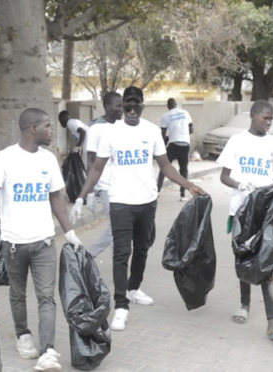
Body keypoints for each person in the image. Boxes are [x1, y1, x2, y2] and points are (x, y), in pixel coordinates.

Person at [70, 86, 204, 332]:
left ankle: (133, 289)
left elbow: (165, 166)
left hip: (147, 201)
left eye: (135, 106)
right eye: (126, 107)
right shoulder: (111, 133)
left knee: (143, 247)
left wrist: (189, 184)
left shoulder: (152, 131)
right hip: (120, 201)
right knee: (121, 253)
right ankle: (121, 306)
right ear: (122, 108)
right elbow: (97, 168)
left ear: (142, 106)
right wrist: (81, 196)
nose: (131, 111)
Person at [0, 108, 83, 371]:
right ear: (33, 128)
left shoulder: (49, 160)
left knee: (46, 297)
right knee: (17, 293)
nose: (52, 131)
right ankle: (23, 336)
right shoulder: (4, 159)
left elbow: (56, 198)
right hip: (13, 243)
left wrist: (70, 231)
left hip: (44, 242)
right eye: (48, 126)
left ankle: (48, 351)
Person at [217, 99, 273, 341]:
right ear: (253, 116)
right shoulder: (237, 141)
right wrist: (240, 184)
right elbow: (224, 176)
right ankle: (244, 304)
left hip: (266, 212)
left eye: (271, 119)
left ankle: (272, 322)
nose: (269, 123)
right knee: (244, 259)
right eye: (265, 118)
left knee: (267, 263)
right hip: (241, 210)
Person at [85, 91, 123, 258]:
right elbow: (91, 160)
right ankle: (118, 268)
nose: (122, 109)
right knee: (117, 228)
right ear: (107, 107)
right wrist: (90, 191)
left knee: (118, 226)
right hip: (106, 185)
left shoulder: (122, 127)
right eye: (118, 106)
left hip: (122, 185)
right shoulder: (96, 128)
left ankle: (88, 255)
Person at [157, 98, 194, 201]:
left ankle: (157, 191)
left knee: (164, 167)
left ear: (168, 106)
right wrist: (184, 135)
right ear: (176, 104)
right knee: (184, 170)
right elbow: (191, 129)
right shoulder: (185, 113)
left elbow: (162, 134)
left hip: (173, 144)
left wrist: (166, 141)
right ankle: (183, 195)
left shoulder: (165, 116)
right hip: (185, 144)